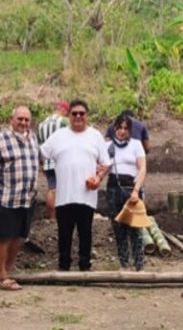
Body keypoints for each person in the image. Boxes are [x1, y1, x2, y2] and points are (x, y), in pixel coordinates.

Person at [40, 99, 109, 271]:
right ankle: (63, 266)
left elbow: (106, 163)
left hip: (86, 194)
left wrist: (99, 178)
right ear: (68, 115)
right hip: (64, 195)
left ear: (87, 115)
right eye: (74, 113)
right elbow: (41, 154)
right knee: (64, 233)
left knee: (85, 232)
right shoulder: (58, 136)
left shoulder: (95, 136)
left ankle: (85, 266)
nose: (78, 116)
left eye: (81, 113)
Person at [0, 106, 39, 291]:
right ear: (11, 120)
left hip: (27, 198)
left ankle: (7, 271)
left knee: (20, 237)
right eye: (20, 119)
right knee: (4, 237)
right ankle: (0, 276)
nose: (23, 122)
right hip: (7, 197)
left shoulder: (33, 138)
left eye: (26, 120)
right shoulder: (0, 139)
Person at [106, 112, 148, 271]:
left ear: (130, 130)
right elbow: (102, 166)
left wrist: (136, 190)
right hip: (113, 189)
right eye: (119, 128)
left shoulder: (136, 145)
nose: (122, 131)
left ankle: (139, 266)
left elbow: (142, 168)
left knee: (135, 228)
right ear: (114, 128)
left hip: (131, 188)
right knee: (118, 228)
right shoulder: (108, 146)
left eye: (126, 128)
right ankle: (124, 264)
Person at [37, 101, 69, 219]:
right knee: (63, 189)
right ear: (64, 110)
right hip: (62, 161)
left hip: (47, 162)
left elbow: (40, 146)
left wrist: (42, 163)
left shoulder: (42, 124)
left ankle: (52, 216)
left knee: (52, 188)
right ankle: (61, 216)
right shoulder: (64, 122)